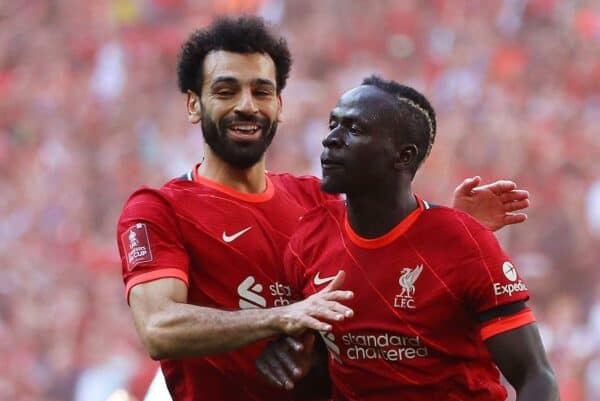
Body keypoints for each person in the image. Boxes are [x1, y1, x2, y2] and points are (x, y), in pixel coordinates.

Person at [117, 16, 531, 401]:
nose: (247, 105)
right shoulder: (160, 209)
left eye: (261, 91)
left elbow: (386, 264)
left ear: (279, 105)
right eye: (226, 91)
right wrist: (282, 317)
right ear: (193, 105)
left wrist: (445, 233)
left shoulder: (319, 199)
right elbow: (159, 328)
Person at [255, 76, 559, 401]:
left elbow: (535, 376)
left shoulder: (463, 241)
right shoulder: (309, 241)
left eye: (354, 130)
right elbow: (310, 371)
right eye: (333, 125)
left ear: (403, 156)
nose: (330, 139)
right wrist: (287, 362)